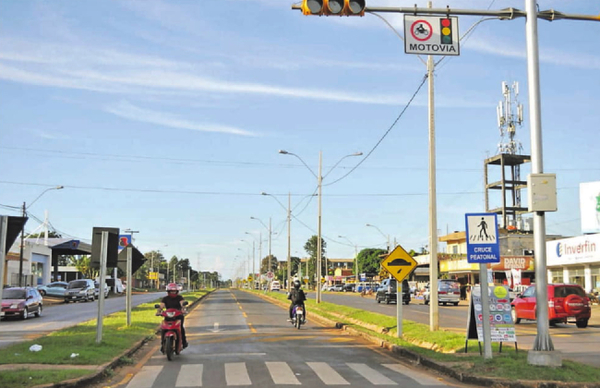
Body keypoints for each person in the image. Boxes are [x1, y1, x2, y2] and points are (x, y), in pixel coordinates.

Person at [158, 283, 188, 349]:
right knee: (163, 329)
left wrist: (183, 309)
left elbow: (182, 304)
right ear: (168, 291)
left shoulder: (179, 298)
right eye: (171, 291)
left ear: (177, 291)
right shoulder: (165, 299)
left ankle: (184, 342)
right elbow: (161, 306)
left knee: (181, 329)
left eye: (174, 291)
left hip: (178, 316)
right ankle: (163, 344)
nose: (173, 292)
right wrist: (159, 311)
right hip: (168, 316)